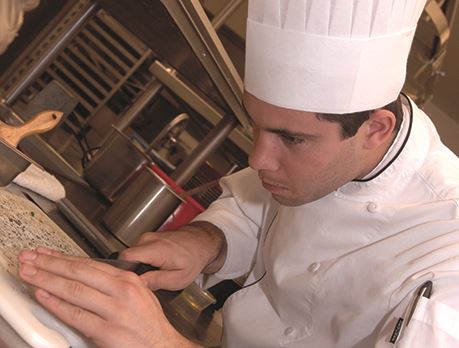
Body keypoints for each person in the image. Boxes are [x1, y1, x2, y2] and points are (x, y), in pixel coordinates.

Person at [18, 0, 459, 347]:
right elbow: (257, 209)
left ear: (375, 129)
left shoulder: (447, 265)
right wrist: (204, 243)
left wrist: (157, 341)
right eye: (256, 126)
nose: (258, 159)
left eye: (292, 139)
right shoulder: (319, 161)